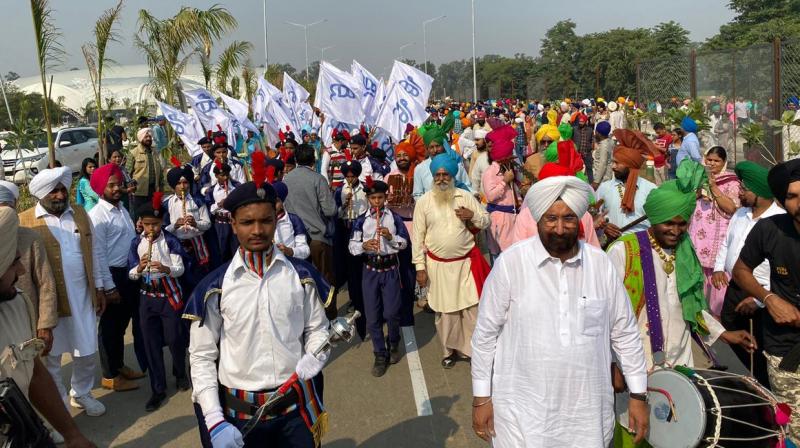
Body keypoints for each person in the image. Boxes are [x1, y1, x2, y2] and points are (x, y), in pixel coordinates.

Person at [471, 175, 649, 447]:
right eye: (551, 219)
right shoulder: (511, 264)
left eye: (568, 219)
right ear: (538, 220)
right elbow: (485, 336)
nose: (560, 228)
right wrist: (481, 397)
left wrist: (638, 395)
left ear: (579, 220)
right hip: (523, 413)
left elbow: (624, 333)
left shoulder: (600, 265)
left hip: (586, 415)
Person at [607, 175, 755, 446]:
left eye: (682, 223)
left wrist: (725, 335)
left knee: (676, 430)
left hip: (680, 357)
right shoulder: (623, 251)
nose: (676, 230)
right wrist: (613, 364)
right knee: (632, 432)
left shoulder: (687, 253)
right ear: (653, 219)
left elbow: (692, 307)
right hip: (635, 361)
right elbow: (606, 316)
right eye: (669, 223)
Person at [185, 176, 331, 448]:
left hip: (295, 412)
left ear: (277, 220)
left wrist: (315, 354)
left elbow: (317, 329)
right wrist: (215, 420)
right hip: (239, 417)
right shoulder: (214, 288)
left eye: (265, 221)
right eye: (247, 222)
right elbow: (202, 356)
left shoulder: (302, 276)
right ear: (233, 224)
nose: (257, 230)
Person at [0, 208, 97, 448]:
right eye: (13, 264)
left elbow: (33, 371)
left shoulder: (17, 302)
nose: (21, 271)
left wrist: (71, 434)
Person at [19, 167, 108, 417]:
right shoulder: (25, 220)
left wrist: (100, 286)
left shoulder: (79, 213)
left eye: (62, 189)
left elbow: (95, 252)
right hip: (47, 303)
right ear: (41, 195)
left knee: (87, 350)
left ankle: (81, 393)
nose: (60, 195)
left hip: (83, 298)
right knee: (52, 357)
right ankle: (58, 408)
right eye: (53, 191)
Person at [733, 159, 800, 441]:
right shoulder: (770, 229)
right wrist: (768, 298)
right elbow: (740, 269)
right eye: (793, 196)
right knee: (790, 430)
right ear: (783, 201)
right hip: (784, 354)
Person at [412, 146, 490, 368]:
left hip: (465, 264)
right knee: (446, 313)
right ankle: (448, 351)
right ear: (433, 176)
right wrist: (420, 267)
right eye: (438, 174)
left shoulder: (464, 196)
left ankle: (470, 350)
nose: (442, 178)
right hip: (438, 267)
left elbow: (486, 221)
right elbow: (417, 237)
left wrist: (472, 215)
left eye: (446, 174)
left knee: (470, 310)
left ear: (453, 175)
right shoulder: (425, 202)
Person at [715, 161, 784, 387]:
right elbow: (726, 243)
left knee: (761, 343)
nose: (740, 193)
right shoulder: (740, 214)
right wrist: (718, 268)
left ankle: (766, 384)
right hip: (736, 286)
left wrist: (759, 299)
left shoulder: (778, 221)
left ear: (762, 193)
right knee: (729, 326)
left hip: (763, 292)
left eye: (745, 189)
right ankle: (753, 376)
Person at [88, 163, 147, 393]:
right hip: (113, 275)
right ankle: (110, 376)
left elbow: (125, 239)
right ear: (100, 188)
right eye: (110, 185)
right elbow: (98, 253)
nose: (116, 188)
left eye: (118, 184)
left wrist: (139, 230)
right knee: (110, 327)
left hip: (128, 272)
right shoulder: (98, 216)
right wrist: (108, 287)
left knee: (122, 326)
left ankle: (119, 365)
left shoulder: (121, 208)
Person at [128, 193, 191, 411]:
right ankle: (158, 388)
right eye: (147, 225)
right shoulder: (137, 242)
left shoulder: (171, 241)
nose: (151, 229)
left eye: (155, 224)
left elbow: (180, 268)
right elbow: (131, 274)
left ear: (162, 222)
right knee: (151, 343)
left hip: (168, 295)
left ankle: (180, 372)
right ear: (141, 224)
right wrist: (138, 268)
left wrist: (166, 269)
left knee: (174, 338)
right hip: (147, 298)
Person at [349, 180, 409, 377]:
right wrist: (364, 246)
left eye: (380, 198)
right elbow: (352, 247)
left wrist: (391, 238)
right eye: (373, 198)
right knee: (372, 316)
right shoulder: (360, 221)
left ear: (385, 198)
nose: (376, 202)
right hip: (370, 271)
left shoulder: (394, 218)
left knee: (392, 313)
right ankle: (379, 354)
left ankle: (393, 342)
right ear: (368, 199)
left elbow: (404, 244)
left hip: (390, 269)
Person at [0, 181, 57, 358]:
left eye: (7, 209)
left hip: (26, 320)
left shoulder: (30, 238)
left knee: (32, 367)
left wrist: (45, 324)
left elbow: (46, 283)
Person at [284, 144, 338, 319]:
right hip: (317, 238)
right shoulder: (318, 179)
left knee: (301, 282)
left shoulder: (286, 179)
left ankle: (307, 318)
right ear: (313, 160)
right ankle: (329, 316)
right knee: (325, 279)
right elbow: (330, 210)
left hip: (295, 239)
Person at [688, 147, 741, 316]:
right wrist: (698, 189)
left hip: (719, 235)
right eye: (709, 160)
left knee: (719, 273)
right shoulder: (697, 177)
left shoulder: (732, 182)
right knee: (698, 273)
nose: (711, 163)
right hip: (699, 230)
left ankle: (720, 315)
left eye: (716, 161)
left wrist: (713, 187)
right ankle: (699, 314)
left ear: (724, 162)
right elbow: (688, 200)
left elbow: (732, 208)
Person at [595, 130, 657, 241]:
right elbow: (594, 216)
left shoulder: (650, 189)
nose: (613, 167)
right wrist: (604, 227)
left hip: (643, 246)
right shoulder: (605, 188)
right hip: (612, 245)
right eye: (613, 162)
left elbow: (658, 222)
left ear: (630, 165)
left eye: (617, 163)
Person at [333, 158, 369, 327]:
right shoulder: (340, 190)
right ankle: (355, 300)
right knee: (351, 269)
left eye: (353, 177)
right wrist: (343, 206)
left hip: (361, 230)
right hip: (346, 230)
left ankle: (367, 298)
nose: (350, 180)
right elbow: (336, 214)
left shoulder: (365, 190)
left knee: (362, 267)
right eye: (347, 177)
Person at [164, 158, 214, 272]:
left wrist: (195, 224)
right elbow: (164, 229)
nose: (182, 187)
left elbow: (207, 224)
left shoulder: (198, 200)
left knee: (202, 271)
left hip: (198, 243)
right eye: (178, 183)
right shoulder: (168, 203)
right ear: (173, 186)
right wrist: (175, 225)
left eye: (185, 182)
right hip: (178, 244)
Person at [482, 125, 521, 257]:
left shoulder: (509, 169)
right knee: (501, 256)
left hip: (514, 217)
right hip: (500, 219)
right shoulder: (490, 172)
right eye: (509, 156)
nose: (511, 158)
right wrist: (504, 181)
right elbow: (490, 196)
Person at [413, 126, 474, 199]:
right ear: (427, 149)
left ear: (444, 146)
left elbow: (467, 186)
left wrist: (474, 194)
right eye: (431, 147)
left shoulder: (456, 164)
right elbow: (417, 194)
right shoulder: (420, 169)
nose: (435, 150)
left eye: (438, 146)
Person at [205, 161, 240, 263]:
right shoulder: (211, 191)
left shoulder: (236, 187)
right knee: (223, 248)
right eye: (222, 175)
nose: (225, 178)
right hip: (220, 224)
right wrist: (218, 205)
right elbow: (208, 210)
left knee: (237, 247)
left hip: (235, 221)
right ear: (216, 176)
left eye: (227, 175)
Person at [126, 128, 164, 213]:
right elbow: (127, 173)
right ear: (141, 138)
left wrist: (161, 188)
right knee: (140, 215)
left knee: (153, 214)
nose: (148, 138)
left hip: (154, 191)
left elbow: (160, 171)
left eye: (150, 136)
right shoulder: (133, 153)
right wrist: (131, 188)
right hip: (139, 192)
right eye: (146, 137)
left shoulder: (155, 152)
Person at [271, 181, 311, 260]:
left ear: (282, 203)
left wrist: (290, 251)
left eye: (275, 202)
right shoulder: (261, 222)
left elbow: (305, 250)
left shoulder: (293, 220)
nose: (271, 206)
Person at [591, 121, 614, 189]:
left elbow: (602, 164)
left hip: (603, 178)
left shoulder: (604, 146)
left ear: (599, 133)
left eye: (596, 131)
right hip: (607, 174)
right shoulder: (610, 141)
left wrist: (596, 181)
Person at [572, 113, 594, 182]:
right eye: (579, 121)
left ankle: (591, 182)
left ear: (585, 122)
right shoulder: (574, 129)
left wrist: (591, 147)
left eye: (582, 122)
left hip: (586, 152)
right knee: (576, 168)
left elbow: (592, 140)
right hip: (577, 153)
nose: (580, 123)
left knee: (589, 168)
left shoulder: (590, 130)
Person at [468, 129, 490, 195]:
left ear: (485, 140)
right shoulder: (475, 153)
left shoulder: (491, 153)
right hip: (479, 191)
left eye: (478, 140)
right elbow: (471, 173)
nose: (475, 142)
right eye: (475, 140)